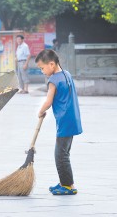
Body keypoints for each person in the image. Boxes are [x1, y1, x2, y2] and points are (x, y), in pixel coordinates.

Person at [35, 49, 83, 195]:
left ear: (51, 64)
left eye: (42, 68)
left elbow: (48, 101)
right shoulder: (66, 74)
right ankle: (64, 182)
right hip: (72, 118)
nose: (42, 71)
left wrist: (41, 111)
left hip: (64, 121)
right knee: (64, 152)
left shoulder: (53, 80)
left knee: (60, 155)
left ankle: (68, 186)